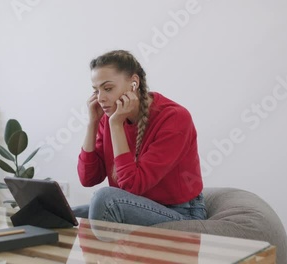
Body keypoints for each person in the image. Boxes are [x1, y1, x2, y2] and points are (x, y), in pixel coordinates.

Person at [73, 50, 206, 226]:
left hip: (180, 212)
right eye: (96, 91)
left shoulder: (174, 118)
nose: (100, 98)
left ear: (134, 83)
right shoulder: (109, 117)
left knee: (105, 198)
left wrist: (116, 125)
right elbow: (88, 178)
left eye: (108, 89)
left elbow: (132, 187)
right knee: (63, 214)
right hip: (136, 205)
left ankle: (104, 254)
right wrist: (92, 123)